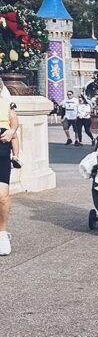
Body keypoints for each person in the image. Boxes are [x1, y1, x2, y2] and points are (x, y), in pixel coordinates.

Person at [0, 85, 20, 256]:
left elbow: (15, 122)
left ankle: (2, 234)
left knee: (2, 197)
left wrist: (11, 131)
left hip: (1, 152)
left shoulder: (6, 103)